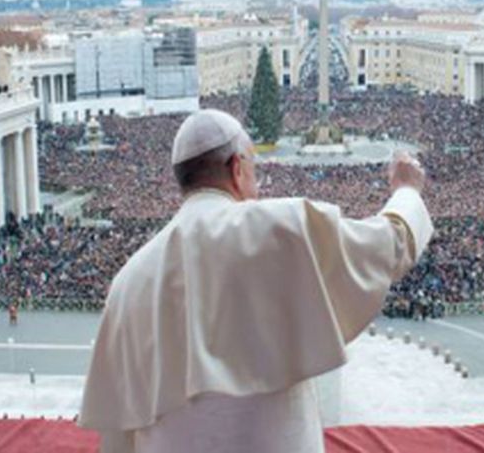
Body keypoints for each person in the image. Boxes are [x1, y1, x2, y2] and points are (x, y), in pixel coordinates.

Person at [79, 110, 433, 453]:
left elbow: (117, 429)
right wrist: (407, 191)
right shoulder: (280, 226)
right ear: (237, 168)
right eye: (253, 169)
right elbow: (390, 244)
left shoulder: (128, 281)